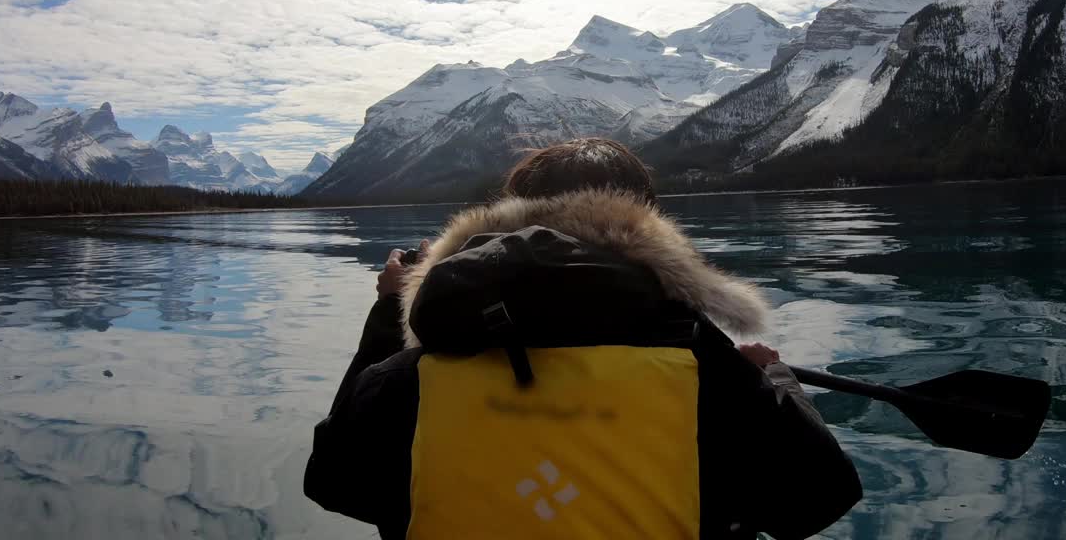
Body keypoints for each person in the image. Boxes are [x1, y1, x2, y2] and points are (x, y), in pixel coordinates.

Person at [305, 138, 861, 539]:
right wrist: (771, 377)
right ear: (643, 229)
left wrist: (388, 314)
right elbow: (816, 501)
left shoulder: (409, 379)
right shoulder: (704, 367)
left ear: (502, 222)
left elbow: (334, 482)